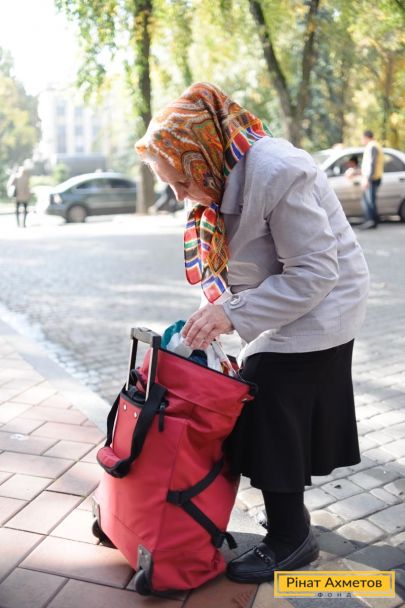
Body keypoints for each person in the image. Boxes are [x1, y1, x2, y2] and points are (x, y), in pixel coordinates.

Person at [135, 83, 370, 584]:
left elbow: (314, 272)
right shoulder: (216, 171)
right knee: (267, 404)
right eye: (170, 184)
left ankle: (291, 538)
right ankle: (286, 515)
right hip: (284, 295)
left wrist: (232, 314)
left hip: (326, 298)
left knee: (268, 401)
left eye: (180, 181)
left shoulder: (278, 171)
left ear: (201, 156)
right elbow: (237, 262)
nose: (179, 196)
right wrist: (214, 312)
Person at [360, 130, 384, 229]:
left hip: (372, 178)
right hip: (373, 177)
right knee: (369, 200)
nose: (361, 140)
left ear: (366, 137)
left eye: (362, 138)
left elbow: (372, 163)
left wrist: (368, 179)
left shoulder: (372, 146)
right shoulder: (374, 145)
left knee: (369, 201)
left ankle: (371, 221)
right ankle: (373, 221)